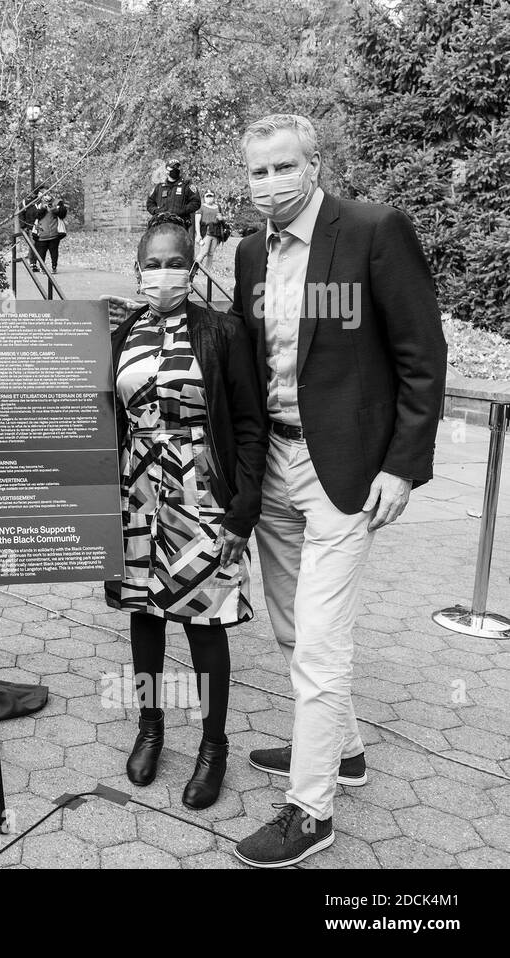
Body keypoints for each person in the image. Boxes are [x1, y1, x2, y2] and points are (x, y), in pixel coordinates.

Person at [228, 114, 446, 867]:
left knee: (320, 646)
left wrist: (401, 465)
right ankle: (344, 752)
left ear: (314, 165)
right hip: (276, 467)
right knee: (292, 634)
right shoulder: (249, 254)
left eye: (285, 167)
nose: (271, 184)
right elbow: (247, 359)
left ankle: (310, 810)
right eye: (258, 172)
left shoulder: (374, 230)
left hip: (345, 474)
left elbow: (424, 354)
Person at [104, 213, 268, 810]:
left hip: (203, 492)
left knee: (205, 624)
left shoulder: (222, 332)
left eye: (176, 263)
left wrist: (240, 515)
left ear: (192, 267)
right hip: (137, 489)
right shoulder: (124, 335)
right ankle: (151, 728)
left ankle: (212, 746)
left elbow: (250, 427)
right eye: (154, 263)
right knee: (144, 616)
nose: (164, 273)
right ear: (139, 268)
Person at [32, 192, 68, 272]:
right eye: (45, 194)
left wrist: (54, 209)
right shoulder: (38, 204)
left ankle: (54, 267)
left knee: (54, 252)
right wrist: (43, 209)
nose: (47, 196)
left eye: (48, 194)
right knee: (41, 253)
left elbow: (63, 214)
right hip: (41, 234)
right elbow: (34, 216)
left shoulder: (58, 202)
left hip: (54, 233)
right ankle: (42, 267)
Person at [197, 190, 223, 269]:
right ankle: (193, 271)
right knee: (203, 252)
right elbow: (197, 222)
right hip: (206, 232)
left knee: (211, 254)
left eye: (211, 196)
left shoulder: (218, 207)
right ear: (204, 197)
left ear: (214, 197)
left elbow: (221, 218)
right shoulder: (201, 207)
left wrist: (221, 218)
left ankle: (208, 273)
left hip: (216, 232)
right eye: (207, 196)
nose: (209, 197)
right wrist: (198, 234)